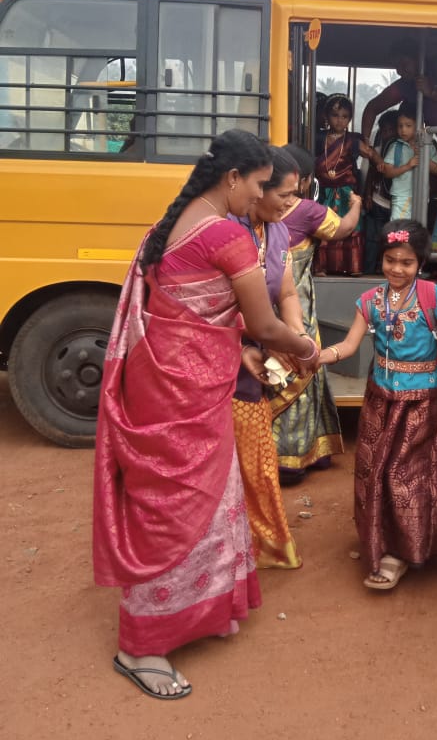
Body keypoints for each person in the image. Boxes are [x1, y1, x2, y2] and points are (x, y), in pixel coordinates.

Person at [93, 130, 320, 700]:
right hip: (188, 392)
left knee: (183, 496)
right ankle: (140, 646)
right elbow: (264, 324)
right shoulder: (226, 234)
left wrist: (241, 346)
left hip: (160, 381)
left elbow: (192, 311)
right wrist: (308, 349)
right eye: (260, 185)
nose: (262, 196)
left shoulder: (171, 223)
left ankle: (202, 609)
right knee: (178, 506)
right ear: (233, 178)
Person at [318, 220, 437, 591]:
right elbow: (349, 346)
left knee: (405, 476)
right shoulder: (369, 301)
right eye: (390, 260)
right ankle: (380, 540)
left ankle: (400, 553)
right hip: (379, 401)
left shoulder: (435, 296)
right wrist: (315, 356)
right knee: (375, 473)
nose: (397, 269)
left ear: (420, 263)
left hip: (422, 404)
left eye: (406, 262)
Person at [231, 146, 309, 567]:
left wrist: (295, 333)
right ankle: (230, 551)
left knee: (258, 463)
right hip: (224, 362)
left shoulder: (278, 232)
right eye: (284, 194)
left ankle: (258, 546)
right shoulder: (226, 231)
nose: (290, 203)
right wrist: (276, 341)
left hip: (256, 361)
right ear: (258, 188)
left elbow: (287, 292)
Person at [268, 142, 353, 484]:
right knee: (301, 376)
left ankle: (280, 455)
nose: (288, 201)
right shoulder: (307, 210)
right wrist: (357, 207)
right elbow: (343, 229)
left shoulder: (264, 223)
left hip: (274, 315)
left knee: (278, 375)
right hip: (296, 313)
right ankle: (294, 457)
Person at [314, 94, 378, 276]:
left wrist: (381, 163)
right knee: (324, 226)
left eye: (344, 116)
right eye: (335, 115)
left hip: (347, 192)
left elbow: (371, 156)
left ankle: (352, 267)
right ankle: (322, 267)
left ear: (349, 119)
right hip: (324, 191)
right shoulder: (318, 138)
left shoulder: (352, 140)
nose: (339, 120)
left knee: (351, 228)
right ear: (326, 117)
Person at [380, 104, 437, 220]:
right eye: (400, 126)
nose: (403, 130)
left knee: (416, 227)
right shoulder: (396, 146)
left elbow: (436, 169)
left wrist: (423, 155)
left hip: (421, 195)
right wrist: (407, 166)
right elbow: (387, 172)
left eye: (408, 126)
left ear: (419, 127)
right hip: (401, 196)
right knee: (400, 227)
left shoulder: (428, 146)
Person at [363, 108, 399, 274]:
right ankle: (369, 269)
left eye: (391, 130)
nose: (388, 134)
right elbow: (371, 173)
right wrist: (368, 195)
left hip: (395, 204)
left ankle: (384, 268)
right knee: (372, 238)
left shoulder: (402, 151)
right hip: (378, 200)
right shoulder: (378, 149)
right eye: (384, 131)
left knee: (390, 239)